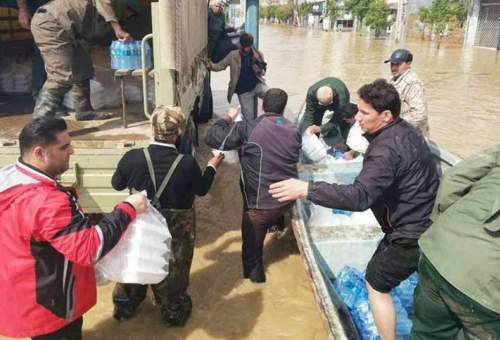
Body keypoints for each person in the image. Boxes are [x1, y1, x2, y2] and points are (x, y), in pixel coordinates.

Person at [269, 79, 439, 340]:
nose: (357, 118)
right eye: (358, 111)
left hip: (409, 231)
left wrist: (306, 189)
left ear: (386, 115)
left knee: (376, 282)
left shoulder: (385, 150)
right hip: (429, 221)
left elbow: (359, 197)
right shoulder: (406, 132)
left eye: (364, 113)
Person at [0, 117, 147, 339]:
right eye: (64, 147)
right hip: (51, 306)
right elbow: (90, 249)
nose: (72, 151)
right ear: (40, 153)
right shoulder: (48, 202)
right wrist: (127, 209)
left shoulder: (9, 176)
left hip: (23, 290)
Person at [111, 106, 224, 326]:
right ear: (180, 132)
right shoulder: (186, 163)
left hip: (140, 221)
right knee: (175, 266)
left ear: (151, 128)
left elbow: (117, 185)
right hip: (176, 227)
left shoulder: (133, 157)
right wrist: (212, 166)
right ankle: (172, 311)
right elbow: (201, 190)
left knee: (135, 258)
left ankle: (126, 305)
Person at [205, 88, 301, 283]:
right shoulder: (294, 129)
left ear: (263, 106)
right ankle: (276, 229)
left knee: (252, 259)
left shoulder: (249, 128)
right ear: (283, 109)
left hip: (259, 208)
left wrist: (228, 118)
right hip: (286, 201)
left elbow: (212, 137)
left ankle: (255, 284)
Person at [411, 142, 500, 339]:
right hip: (485, 285)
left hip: (439, 250)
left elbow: (453, 178)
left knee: (427, 334)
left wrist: (445, 228)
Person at [31, 0, 132, 121]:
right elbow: (104, 3)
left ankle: (84, 111)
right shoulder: (110, 5)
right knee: (60, 75)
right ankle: (40, 121)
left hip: (74, 30)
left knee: (83, 69)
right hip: (52, 23)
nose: (128, 16)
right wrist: (117, 28)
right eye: (129, 13)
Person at [203, 32, 267, 121]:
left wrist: (259, 70)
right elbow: (220, 66)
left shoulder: (258, 54)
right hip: (244, 92)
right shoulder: (233, 55)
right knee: (249, 118)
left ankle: (272, 122)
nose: (247, 49)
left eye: (248, 46)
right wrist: (210, 66)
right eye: (245, 46)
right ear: (241, 45)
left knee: (272, 97)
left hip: (257, 85)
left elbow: (263, 72)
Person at [385, 49, 429, 138]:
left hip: (409, 136)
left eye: (398, 64)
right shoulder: (393, 79)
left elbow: (420, 115)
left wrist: (394, 124)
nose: (393, 67)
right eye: (392, 64)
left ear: (408, 64)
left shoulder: (413, 83)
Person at [299, 77, 350, 146]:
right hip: (320, 102)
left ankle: (344, 141)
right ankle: (314, 141)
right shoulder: (311, 92)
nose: (325, 106)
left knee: (345, 119)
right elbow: (309, 113)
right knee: (316, 117)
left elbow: (337, 118)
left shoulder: (341, 97)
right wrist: (306, 131)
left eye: (326, 105)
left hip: (338, 101)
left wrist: (321, 128)